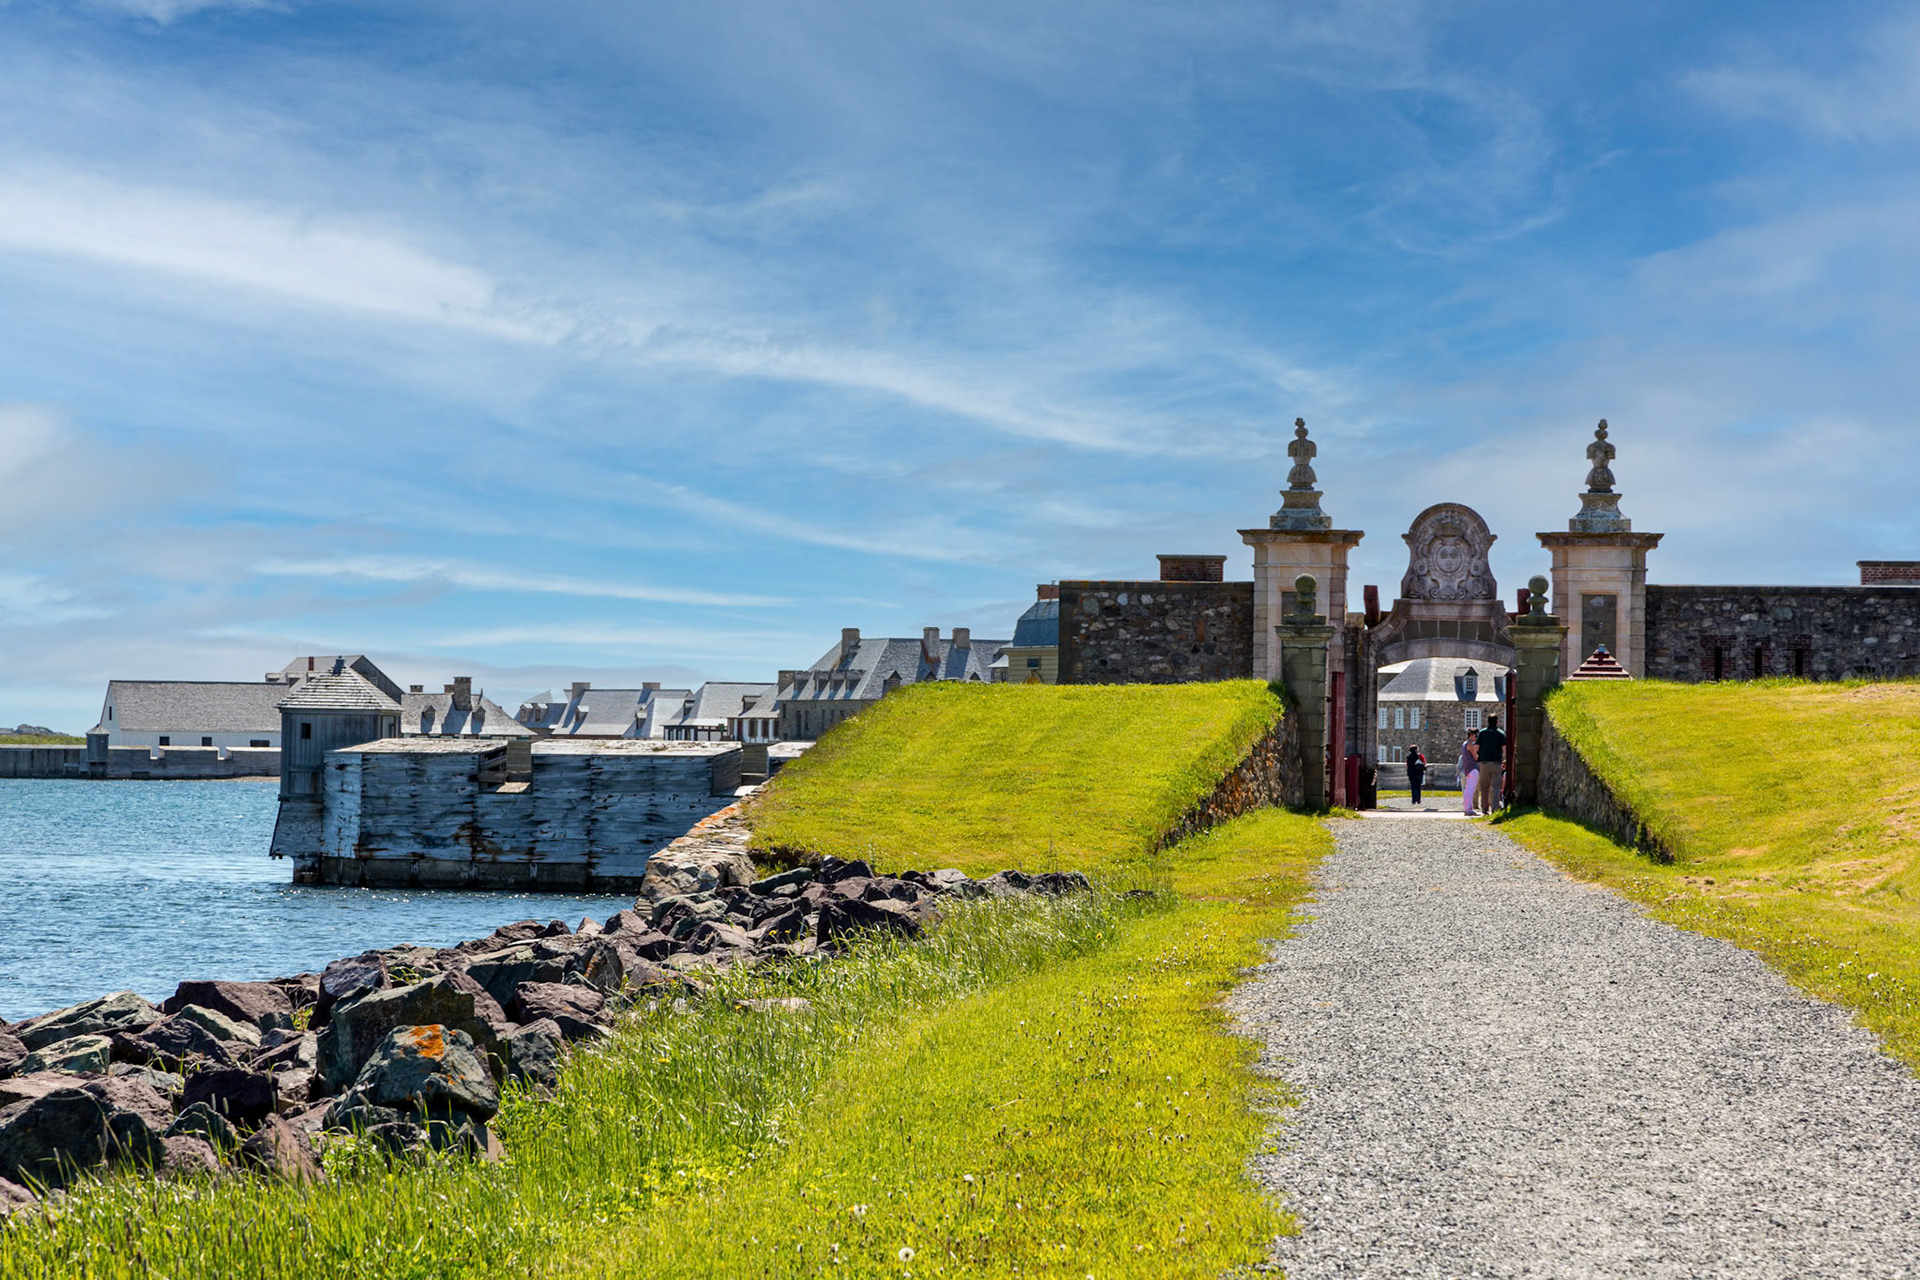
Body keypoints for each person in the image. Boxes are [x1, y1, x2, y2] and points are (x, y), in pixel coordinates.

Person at [1475, 714, 1507, 815]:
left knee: (1484, 787)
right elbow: (1504, 748)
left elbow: (1476, 747)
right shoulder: (1501, 733)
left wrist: (1479, 756)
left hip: (1484, 763)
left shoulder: (1482, 733)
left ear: (1487, 721)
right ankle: (1495, 808)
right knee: (1496, 787)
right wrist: (1505, 760)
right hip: (1496, 763)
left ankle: (1485, 809)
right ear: (1497, 721)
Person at [1457, 734, 1478, 817]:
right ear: (1471, 735)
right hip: (1473, 768)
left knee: (1468, 789)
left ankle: (1467, 808)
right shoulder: (1469, 744)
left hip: (1467, 769)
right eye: (1475, 736)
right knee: (1471, 789)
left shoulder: (1464, 744)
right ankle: (1469, 809)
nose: (1476, 738)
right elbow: (1475, 757)